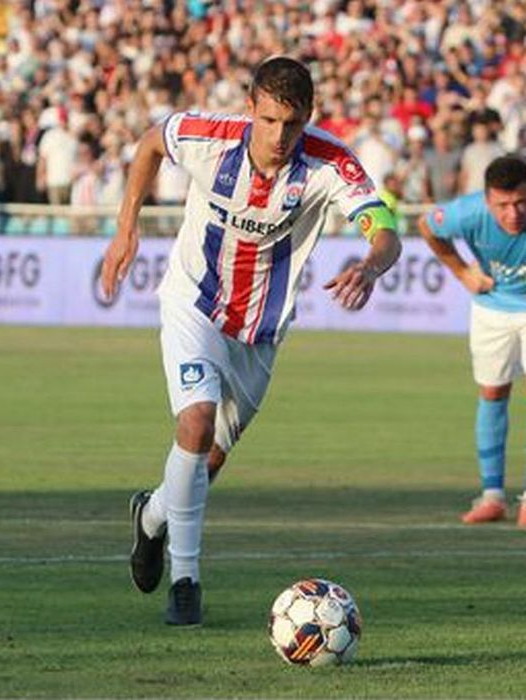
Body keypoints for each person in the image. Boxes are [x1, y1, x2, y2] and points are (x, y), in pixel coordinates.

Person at [101, 57, 401, 626]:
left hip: (260, 332)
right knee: (195, 422)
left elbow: (384, 230)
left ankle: (152, 516)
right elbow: (148, 145)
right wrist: (126, 225)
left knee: (204, 462)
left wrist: (371, 265)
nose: (279, 136)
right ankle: (186, 584)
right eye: (268, 121)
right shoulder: (206, 138)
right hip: (193, 303)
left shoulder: (330, 163)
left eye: (291, 124)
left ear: (308, 117)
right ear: (250, 110)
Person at [418, 154, 526, 527]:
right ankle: (492, 496)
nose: (513, 214)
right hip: (492, 308)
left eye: (521, 203)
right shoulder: (466, 213)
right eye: (503, 205)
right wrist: (462, 272)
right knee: (492, 393)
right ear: (487, 201)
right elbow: (427, 225)